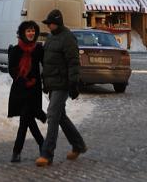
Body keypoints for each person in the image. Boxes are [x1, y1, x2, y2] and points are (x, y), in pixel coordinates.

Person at [35, 9, 87, 167]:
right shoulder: (50, 38)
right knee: (60, 116)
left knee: (52, 114)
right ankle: (78, 145)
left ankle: (47, 154)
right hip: (53, 84)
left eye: (50, 23)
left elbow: (73, 62)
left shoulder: (68, 38)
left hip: (63, 84)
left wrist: (73, 83)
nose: (48, 26)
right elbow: (47, 61)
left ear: (57, 23)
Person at [7, 20, 47, 163]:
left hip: (34, 90)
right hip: (20, 90)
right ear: (23, 33)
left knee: (26, 119)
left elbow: (46, 65)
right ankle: (41, 146)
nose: (31, 33)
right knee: (26, 119)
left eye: (33, 31)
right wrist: (22, 80)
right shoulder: (16, 50)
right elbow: (12, 69)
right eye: (28, 31)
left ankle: (18, 152)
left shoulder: (38, 49)